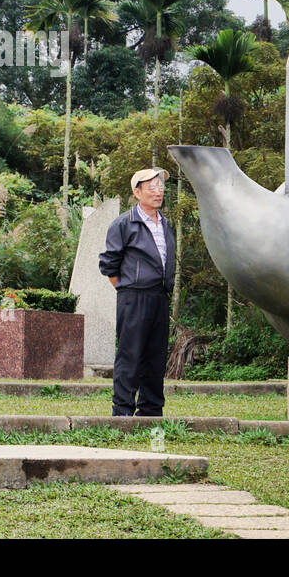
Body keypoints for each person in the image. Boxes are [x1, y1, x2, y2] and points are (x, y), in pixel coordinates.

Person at [99, 168, 176, 417]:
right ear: (137, 191)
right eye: (151, 187)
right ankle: (122, 410)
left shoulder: (165, 223)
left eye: (160, 186)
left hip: (159, 297)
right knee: (130, 354)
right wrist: (127, 287)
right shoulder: (124, 223)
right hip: (133, 295)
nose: (158, 191)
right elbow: (109, 263)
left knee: (155, 356)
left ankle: (151, 409)